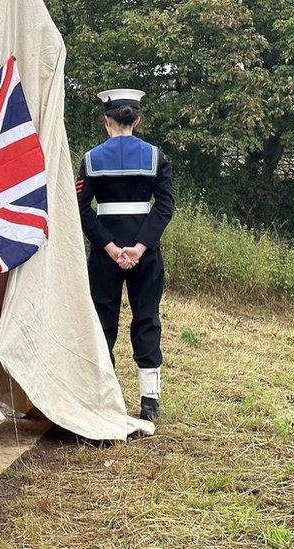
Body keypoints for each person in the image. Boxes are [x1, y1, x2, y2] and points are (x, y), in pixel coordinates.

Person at [75, 88, 175, 421]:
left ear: (107, 121)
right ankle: (149, 401)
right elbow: (164, 207)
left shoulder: (90, 159)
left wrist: (110, 247)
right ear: (137, 120)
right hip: (145, 254)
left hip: (105, 255)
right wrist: (141, 246)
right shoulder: (156, 157)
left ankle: (105, 398)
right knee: (147, 317)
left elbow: (82, 208)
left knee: (103, 321)